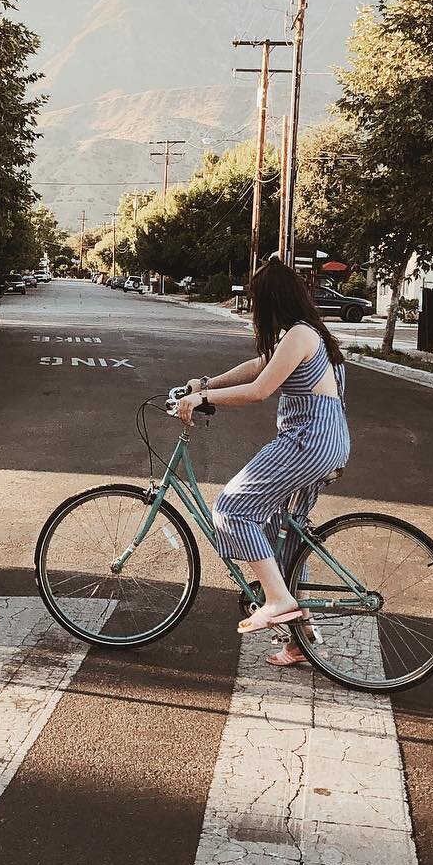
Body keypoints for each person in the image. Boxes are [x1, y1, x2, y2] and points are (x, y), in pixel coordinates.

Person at [174, 255, 350, 668]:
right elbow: (259, 365)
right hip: (327, 441)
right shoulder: (309, 335)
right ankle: (301, 641)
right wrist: (206, 383)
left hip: (307, 441)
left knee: (231, 509)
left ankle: (276, 600)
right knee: (283, 537)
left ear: (269, 301)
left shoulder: (300, 336)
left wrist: (201, 399)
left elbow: (259, 388)